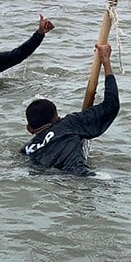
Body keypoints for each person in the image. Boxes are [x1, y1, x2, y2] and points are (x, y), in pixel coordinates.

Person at [21, 43, 119, 176]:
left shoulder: (26, 150)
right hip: (81, 177)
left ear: (29, 129)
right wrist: (106, 61)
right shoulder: (69, 124)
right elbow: (111, 105)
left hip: (52, 178)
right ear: (57, 118)